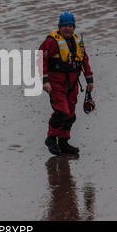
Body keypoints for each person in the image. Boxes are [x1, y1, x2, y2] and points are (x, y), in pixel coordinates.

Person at [39, 11, 94, 155]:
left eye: (70, 26)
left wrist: (89, 79)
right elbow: (40, 59)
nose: (67, 29)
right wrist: (45, 81)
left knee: (70, 115)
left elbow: (84, 61)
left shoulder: (78, 42)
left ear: (74, 27)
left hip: (73, 84)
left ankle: (63, 142)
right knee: (62, 112)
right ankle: (51, 138)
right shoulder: (51, 41)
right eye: (64, 26)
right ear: (59, 26)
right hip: (56, 84)